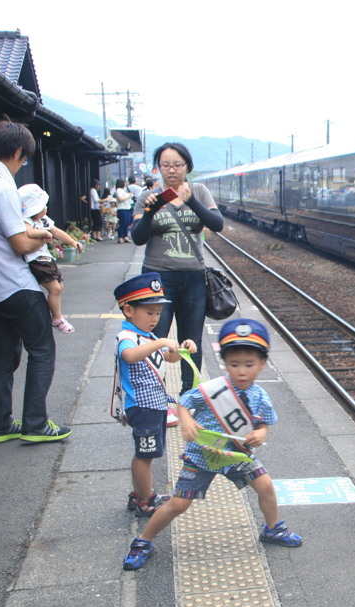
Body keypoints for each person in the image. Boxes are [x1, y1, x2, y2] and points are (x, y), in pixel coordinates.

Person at [122, 318, 302, 570]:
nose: (241, 371)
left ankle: (273, 528)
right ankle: (143, 541)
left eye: (249, 364)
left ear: (262, 364)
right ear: (225, 363)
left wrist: (261, 433)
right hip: (202, 456)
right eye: (234, 364)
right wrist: (186, 422)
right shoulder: (213, 389)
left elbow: (264, 423)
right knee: (178, 504)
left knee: (266, 487)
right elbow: (185, 402)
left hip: (237, 455)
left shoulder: (260, 396)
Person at [0, 116, 71, 444]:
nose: (23, 166)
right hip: (16, 286)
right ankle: (36, 423)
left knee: (4, 351)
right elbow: (20, 242)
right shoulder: (1, 187)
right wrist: (47, 234)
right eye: (25, 159)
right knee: (42, 350)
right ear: (18, 151)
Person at [131, 142, 225, 421]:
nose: (171, 171)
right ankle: (156, 399)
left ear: (187, 167)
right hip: (157, 279)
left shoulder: (199, 191)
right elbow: (137, 237)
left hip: (193, 277)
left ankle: (188, 398)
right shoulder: (147, 196)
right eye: (166, 165)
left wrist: (189, 201)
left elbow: (217, 224)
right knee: (154, 340)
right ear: (158, 167)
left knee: (191, 341)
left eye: (177, 165)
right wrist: (150, 210)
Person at [111, 272, 197, 517]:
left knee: (148, 452)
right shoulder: (127, 337)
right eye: (149, 313)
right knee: (145, 455)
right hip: (142, 406)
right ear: (128, 310)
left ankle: (140, 493)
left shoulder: (147, 336)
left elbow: (168, 358)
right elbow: (128, 356)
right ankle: (144, 500)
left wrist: (182, 348)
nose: (155, 318)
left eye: (158, 313)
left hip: (154, 405)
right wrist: (161, 342)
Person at [18, 183, 82, 333]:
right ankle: (57, 317)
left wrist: (73, 241)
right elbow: (29, 232)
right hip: (36, 259)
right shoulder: (27, 220)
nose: (46, 209)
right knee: (55, 288)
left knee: (59, 287)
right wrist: (44, 234)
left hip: (46, 258)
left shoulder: (44, 219)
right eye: (43, 207)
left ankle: (57, 315)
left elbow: (57, 231)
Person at [114, 178, 134, 243]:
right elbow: (121, 199)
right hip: (121, 209)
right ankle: (120, 237)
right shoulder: (118, 190)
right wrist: (129, 196)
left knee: (127, 223)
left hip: (127, 208)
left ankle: (125, 236)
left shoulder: (123, 190)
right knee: (123, 223)